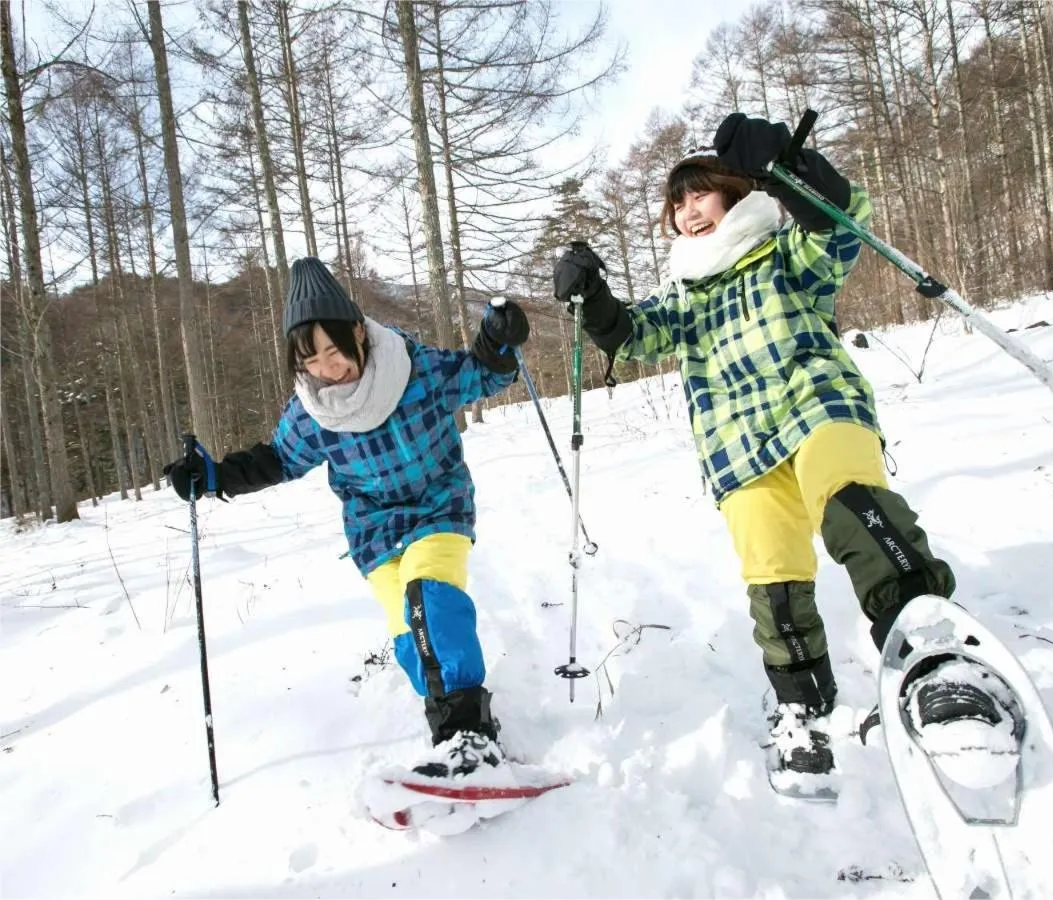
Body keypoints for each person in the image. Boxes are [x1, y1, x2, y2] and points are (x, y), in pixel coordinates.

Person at [553, 114, 1009, 776]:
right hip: (737, 445)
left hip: (818, 405)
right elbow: (630, 335)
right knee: (773, 576)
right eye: (676, 205)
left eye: (699, 193)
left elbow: (842, 220)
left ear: (734, 193)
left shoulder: (784, 251)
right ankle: (803, 706)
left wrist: (787, 167)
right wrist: (590, 293)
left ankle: (930, 651)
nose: (688, 212)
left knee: (852, 507)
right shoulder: (682, 295)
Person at [163, 257, 530, 781]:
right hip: (376, 532)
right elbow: (279, 460)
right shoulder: (312, 412)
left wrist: (497, 341)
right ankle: (448, 726)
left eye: (336, 351)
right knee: (410, 629)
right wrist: (214, 476)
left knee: (432, 598)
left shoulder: (411, 367)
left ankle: (468, 735)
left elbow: (478, 377)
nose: (330, 368)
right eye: (312, 360)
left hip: (439, 505)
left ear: (359, 332)